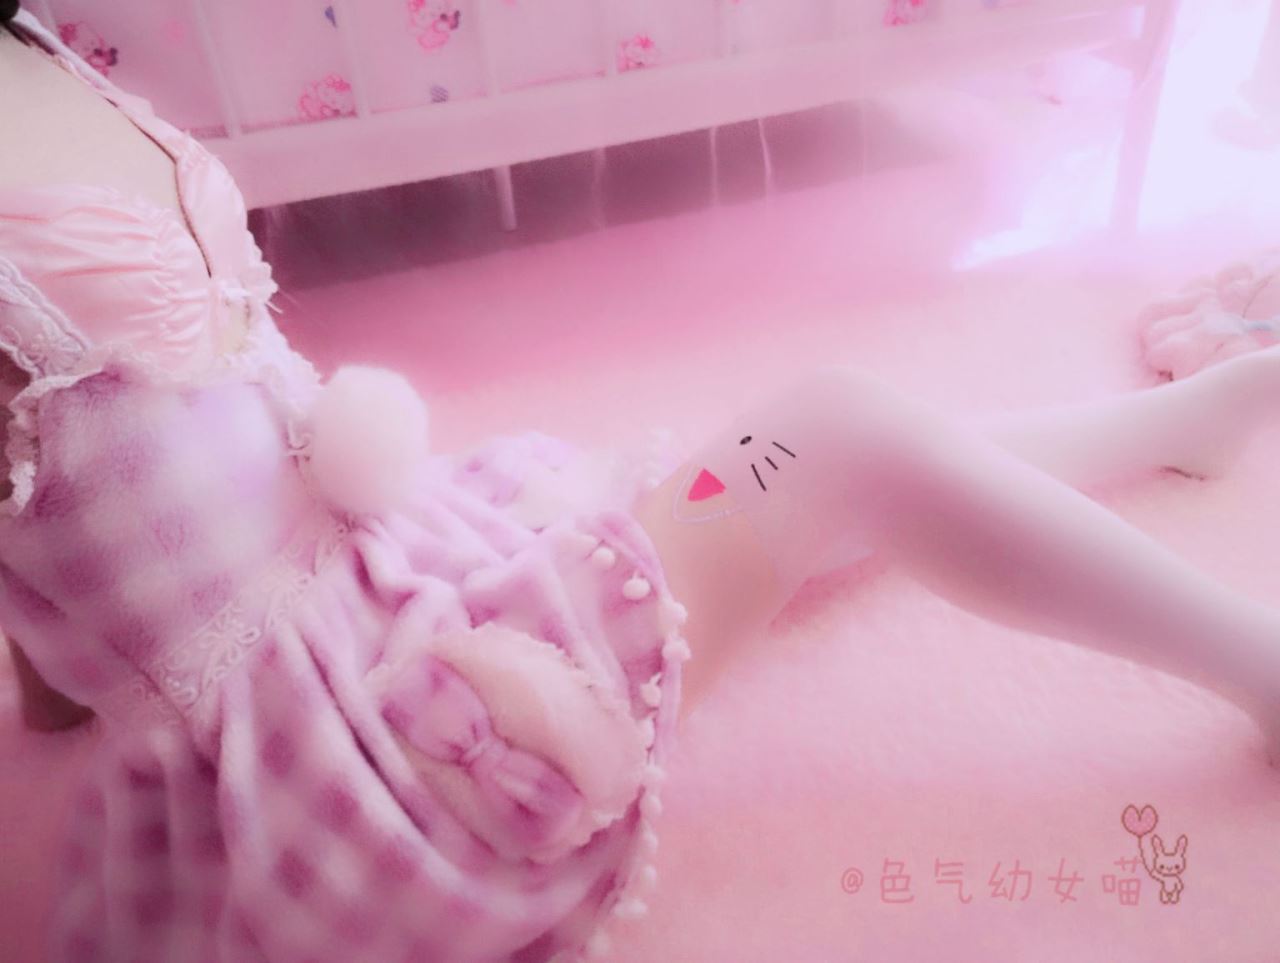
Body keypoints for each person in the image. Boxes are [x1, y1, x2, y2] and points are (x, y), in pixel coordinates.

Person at [3, 3, 1280, 962]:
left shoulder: (37, 41)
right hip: (360, 753)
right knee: (830, 435)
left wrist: (63, 691)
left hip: (388, 552)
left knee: (810, 476)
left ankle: (1164, 426)